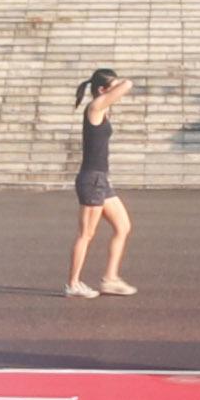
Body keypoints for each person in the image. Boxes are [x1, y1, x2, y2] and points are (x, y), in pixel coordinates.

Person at [63, 68, 136, 299]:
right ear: (102, 90)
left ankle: (110, 279)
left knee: (123, 227)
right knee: (86, 234)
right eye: (110, 88)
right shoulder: (94, 108)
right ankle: (73, 284)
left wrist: (111, 86)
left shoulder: (103, 111)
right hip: (91, 179)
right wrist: (117, 85)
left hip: (101, 179)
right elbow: (128, 84)